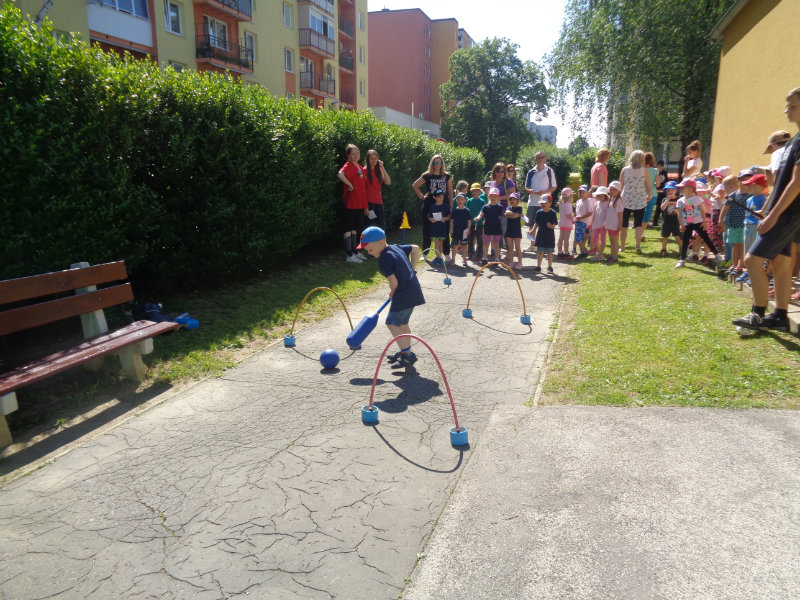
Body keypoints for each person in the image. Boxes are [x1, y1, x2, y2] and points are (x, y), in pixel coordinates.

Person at [734, 87, 800, 332]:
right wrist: (769, 206)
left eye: (792, 106)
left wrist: (773, 215)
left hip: (788, 213)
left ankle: (758, 314)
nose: (786, 110)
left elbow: (797, 182)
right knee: (781, 263)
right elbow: (782, 180)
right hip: (782, 211)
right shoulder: (794, 141)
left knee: (752, 260)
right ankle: (780, 317)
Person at [357, 227, 424, 369]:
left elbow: (394, 282)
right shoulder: (396, 248)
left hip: (403, 294)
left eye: (370, 249)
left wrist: (392, 292)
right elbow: (416, 248)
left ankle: (407, 355)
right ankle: (406, 351)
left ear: (381, 242)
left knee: (392, 323)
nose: (369, 253)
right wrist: (412, 269)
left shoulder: (383, 259)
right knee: (402, 324)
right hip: (413, 291)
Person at [412, 155, 453, 255]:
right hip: (429, 206)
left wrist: (451, 207)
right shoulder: (427, 175)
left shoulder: (447, 176)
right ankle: (425, 253)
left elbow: (450, 192)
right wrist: (422, 197)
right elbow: (415, 185)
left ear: (442, 164)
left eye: (439, 162)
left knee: (444, 230)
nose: (437, 165)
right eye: (435, 163)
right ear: (432, 164)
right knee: (427, 230)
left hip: (444, 206)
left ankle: (446, 254)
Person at [675, 178, 720, 268]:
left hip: (699, 223)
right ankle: (682, 259)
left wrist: (704, 222)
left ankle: (716, 255)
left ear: (690, 188)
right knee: (685, 241)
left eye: (683, 187)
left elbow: (702, 210)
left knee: (706, 239)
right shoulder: (680, 200)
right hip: (687, 224)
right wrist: (681, 224)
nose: (680, 189)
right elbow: (679, 213)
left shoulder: (698, 199)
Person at [337, 143, 369, 263]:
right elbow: (340, 174)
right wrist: (349, 184)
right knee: (348, 228)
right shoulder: (348, 165)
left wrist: (365, 206)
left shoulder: (359, 167)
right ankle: (349, 255)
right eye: (353, 154)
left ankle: (355, 251)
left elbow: (363, 188)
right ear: (348, 156)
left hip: (359, 203)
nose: (356, 155)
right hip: (351, 203)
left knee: (355, 228)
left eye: (357, 153)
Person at [619, 150, 652, 254]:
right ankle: (637, 246)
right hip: (639, 200)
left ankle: (622, 247)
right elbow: (648, 185)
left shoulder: (625, 170)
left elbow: (620, 186)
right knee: (638, 224)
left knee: (624, 225)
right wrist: (649, 195)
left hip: (626, 200)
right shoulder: (644, 170)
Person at [524, 151, 558, 249]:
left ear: (545, 159)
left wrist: (544, 192)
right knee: (531, 224)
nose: (540, 159)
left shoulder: (549, 171)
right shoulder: (531, 171)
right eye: (538, 157)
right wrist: (529, 190)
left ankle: (543, 245)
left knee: (544, 225)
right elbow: (526, 186)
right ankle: (533, 245)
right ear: (535, 159)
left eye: (542, 157)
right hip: (532, 201)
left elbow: (554, 186)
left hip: (545, 203)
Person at [718, 175, 747, 276]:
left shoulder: (750, 195)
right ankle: (734, 264)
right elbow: (725, 208)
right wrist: (721, 220)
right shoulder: (733, 195)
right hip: (733, 225)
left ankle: (740, 266)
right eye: (742, 180)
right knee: (735, 245)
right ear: (738, 182)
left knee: (742, 246)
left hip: (744, 226)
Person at [364, 149, 391, 230]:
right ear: (368, 159)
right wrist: (365, 207)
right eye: (371, 159)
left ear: (378, 159)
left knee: (381, 225)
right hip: (369, 204)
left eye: (375, 158)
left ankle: (382, 239)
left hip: (379, 203)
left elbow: (388, 182)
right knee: (371, 225)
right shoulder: (364, 170)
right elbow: (362, 189)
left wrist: (382, 167)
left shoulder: (379, 170)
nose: (374, 160)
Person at [475, 187, 504, 263]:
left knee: (496, 244)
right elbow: (481, 214)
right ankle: (484, 258)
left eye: (495, 196)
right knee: (486, 244)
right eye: (491, 196)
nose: (493, 197)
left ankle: (496, 258)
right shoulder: (485, 207)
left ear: (497, 197)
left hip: (496, 228)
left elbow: (499, 217)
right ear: (489, 196)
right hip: (487, 227)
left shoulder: (499, 207)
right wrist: (478, 218)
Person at [531, 195, 558, 273]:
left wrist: (551, 226)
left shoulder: (552, 213)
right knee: (540, 252)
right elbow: (536, 223)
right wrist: (532, 230)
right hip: (541, 235)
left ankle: (550, 267)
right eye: (541, 203)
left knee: (549, 252)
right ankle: (538, 266)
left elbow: (554, 224)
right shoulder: (539, 213)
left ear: (550, 203)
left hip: (549, 236)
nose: (543, 204)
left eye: (545, 202)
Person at [428, 188, 451, 264]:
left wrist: (445, 218)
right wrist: (431, 219)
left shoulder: (446, 206)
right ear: (434, 197)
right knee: (436, 242)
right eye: (439, 196)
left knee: (441, 242)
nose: (441, 198)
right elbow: (429, 216)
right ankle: (437, 257)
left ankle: (440, 257)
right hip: (435, 228)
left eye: (442, 196)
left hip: (442, 228)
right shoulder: (432, 207)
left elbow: (449, 216)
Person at [659, 181, 682, 256]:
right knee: (665, 236)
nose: (670, 191)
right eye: (668, 190)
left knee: (677, 235)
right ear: (665, 191)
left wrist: (677, 210)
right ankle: (663, 249)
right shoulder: (664, 199)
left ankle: (682, 249)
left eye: (672, 190)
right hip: (666, 221)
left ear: (676, 190)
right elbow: (662, 208)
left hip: (676, 221)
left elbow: (681, 209)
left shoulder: (679, 199)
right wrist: (667, 200)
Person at [450, 192, 472, 267]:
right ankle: (453, 259)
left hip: (464, 231)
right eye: (458, 199)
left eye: (461, 199)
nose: (460, 201)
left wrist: (469, 229)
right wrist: (451, 229)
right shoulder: (454, 211)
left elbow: (469, 221)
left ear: (465, 200)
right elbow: (452, 221)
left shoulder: (467, 210)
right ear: (456, 200)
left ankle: (465, 260)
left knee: (464, 245)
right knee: (454, 245)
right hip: (456, 230)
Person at [466, 183, 486, 262]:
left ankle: (479, 255)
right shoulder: (469, 201)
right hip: (470, 224)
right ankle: (469, 255)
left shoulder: (482, 201)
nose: (475, 192)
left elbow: (484, 212)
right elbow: (467, 212)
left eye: (477, 191)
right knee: (470, 240)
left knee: (479, 240)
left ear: (479, 191)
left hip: (480, 224)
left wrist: (484, 220)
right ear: (471, 191)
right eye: (473, 191)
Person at [504, 192, 524, 268]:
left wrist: (511, 215)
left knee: (518, 248)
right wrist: (514, 214)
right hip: (509, 230)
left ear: (517, 200)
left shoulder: (519, 208)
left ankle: (520, 262)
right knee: (510, 248)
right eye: (511, 199)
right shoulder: (508, 207)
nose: (512, 201)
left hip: (517, 231)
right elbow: (507, 213)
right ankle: (511, 262)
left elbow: (515, 216)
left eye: (514, 199)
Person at [573, 184, 592, 258]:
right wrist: (574, 218)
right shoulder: (578, 201)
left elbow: (590, 213)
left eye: (583, 192)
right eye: (580, 192)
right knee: (578, 238)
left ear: (587, 193)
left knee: (579, 238)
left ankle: (583, 251)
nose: (581, 194)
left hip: (584, 222)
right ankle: (583, 250)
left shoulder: (588, 201)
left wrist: (580, 217)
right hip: (578, 222)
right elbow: (576, 212)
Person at [643, 152, 659, 235]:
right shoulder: (655, 170)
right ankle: (641, 233)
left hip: (641, 193)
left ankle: (638, 230)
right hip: (652, 194)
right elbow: (658, 184)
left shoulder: (640, 169)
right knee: (648, 213)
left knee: (640, 212)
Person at [556, 187, 574, 258]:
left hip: (562, 223)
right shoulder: (568, 204)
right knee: (566, 239)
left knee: (561, 238)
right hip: (567, 223)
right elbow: (568, 215)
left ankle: (560, 252)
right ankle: (566, 253)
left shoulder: (561, 204)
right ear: (570, 196)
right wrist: (573, 219)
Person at [652, 159, 668, 226]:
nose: (658, 167)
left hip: (663, 192)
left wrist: (665, 189)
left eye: (659, 166)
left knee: (663, 207)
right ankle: (655, 222)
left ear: (662, 166)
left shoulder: (665, 173)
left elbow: (666, 182)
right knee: (658, 207)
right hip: (656, 191)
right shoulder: (655, 173)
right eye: (657, 166)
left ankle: (664, 221)